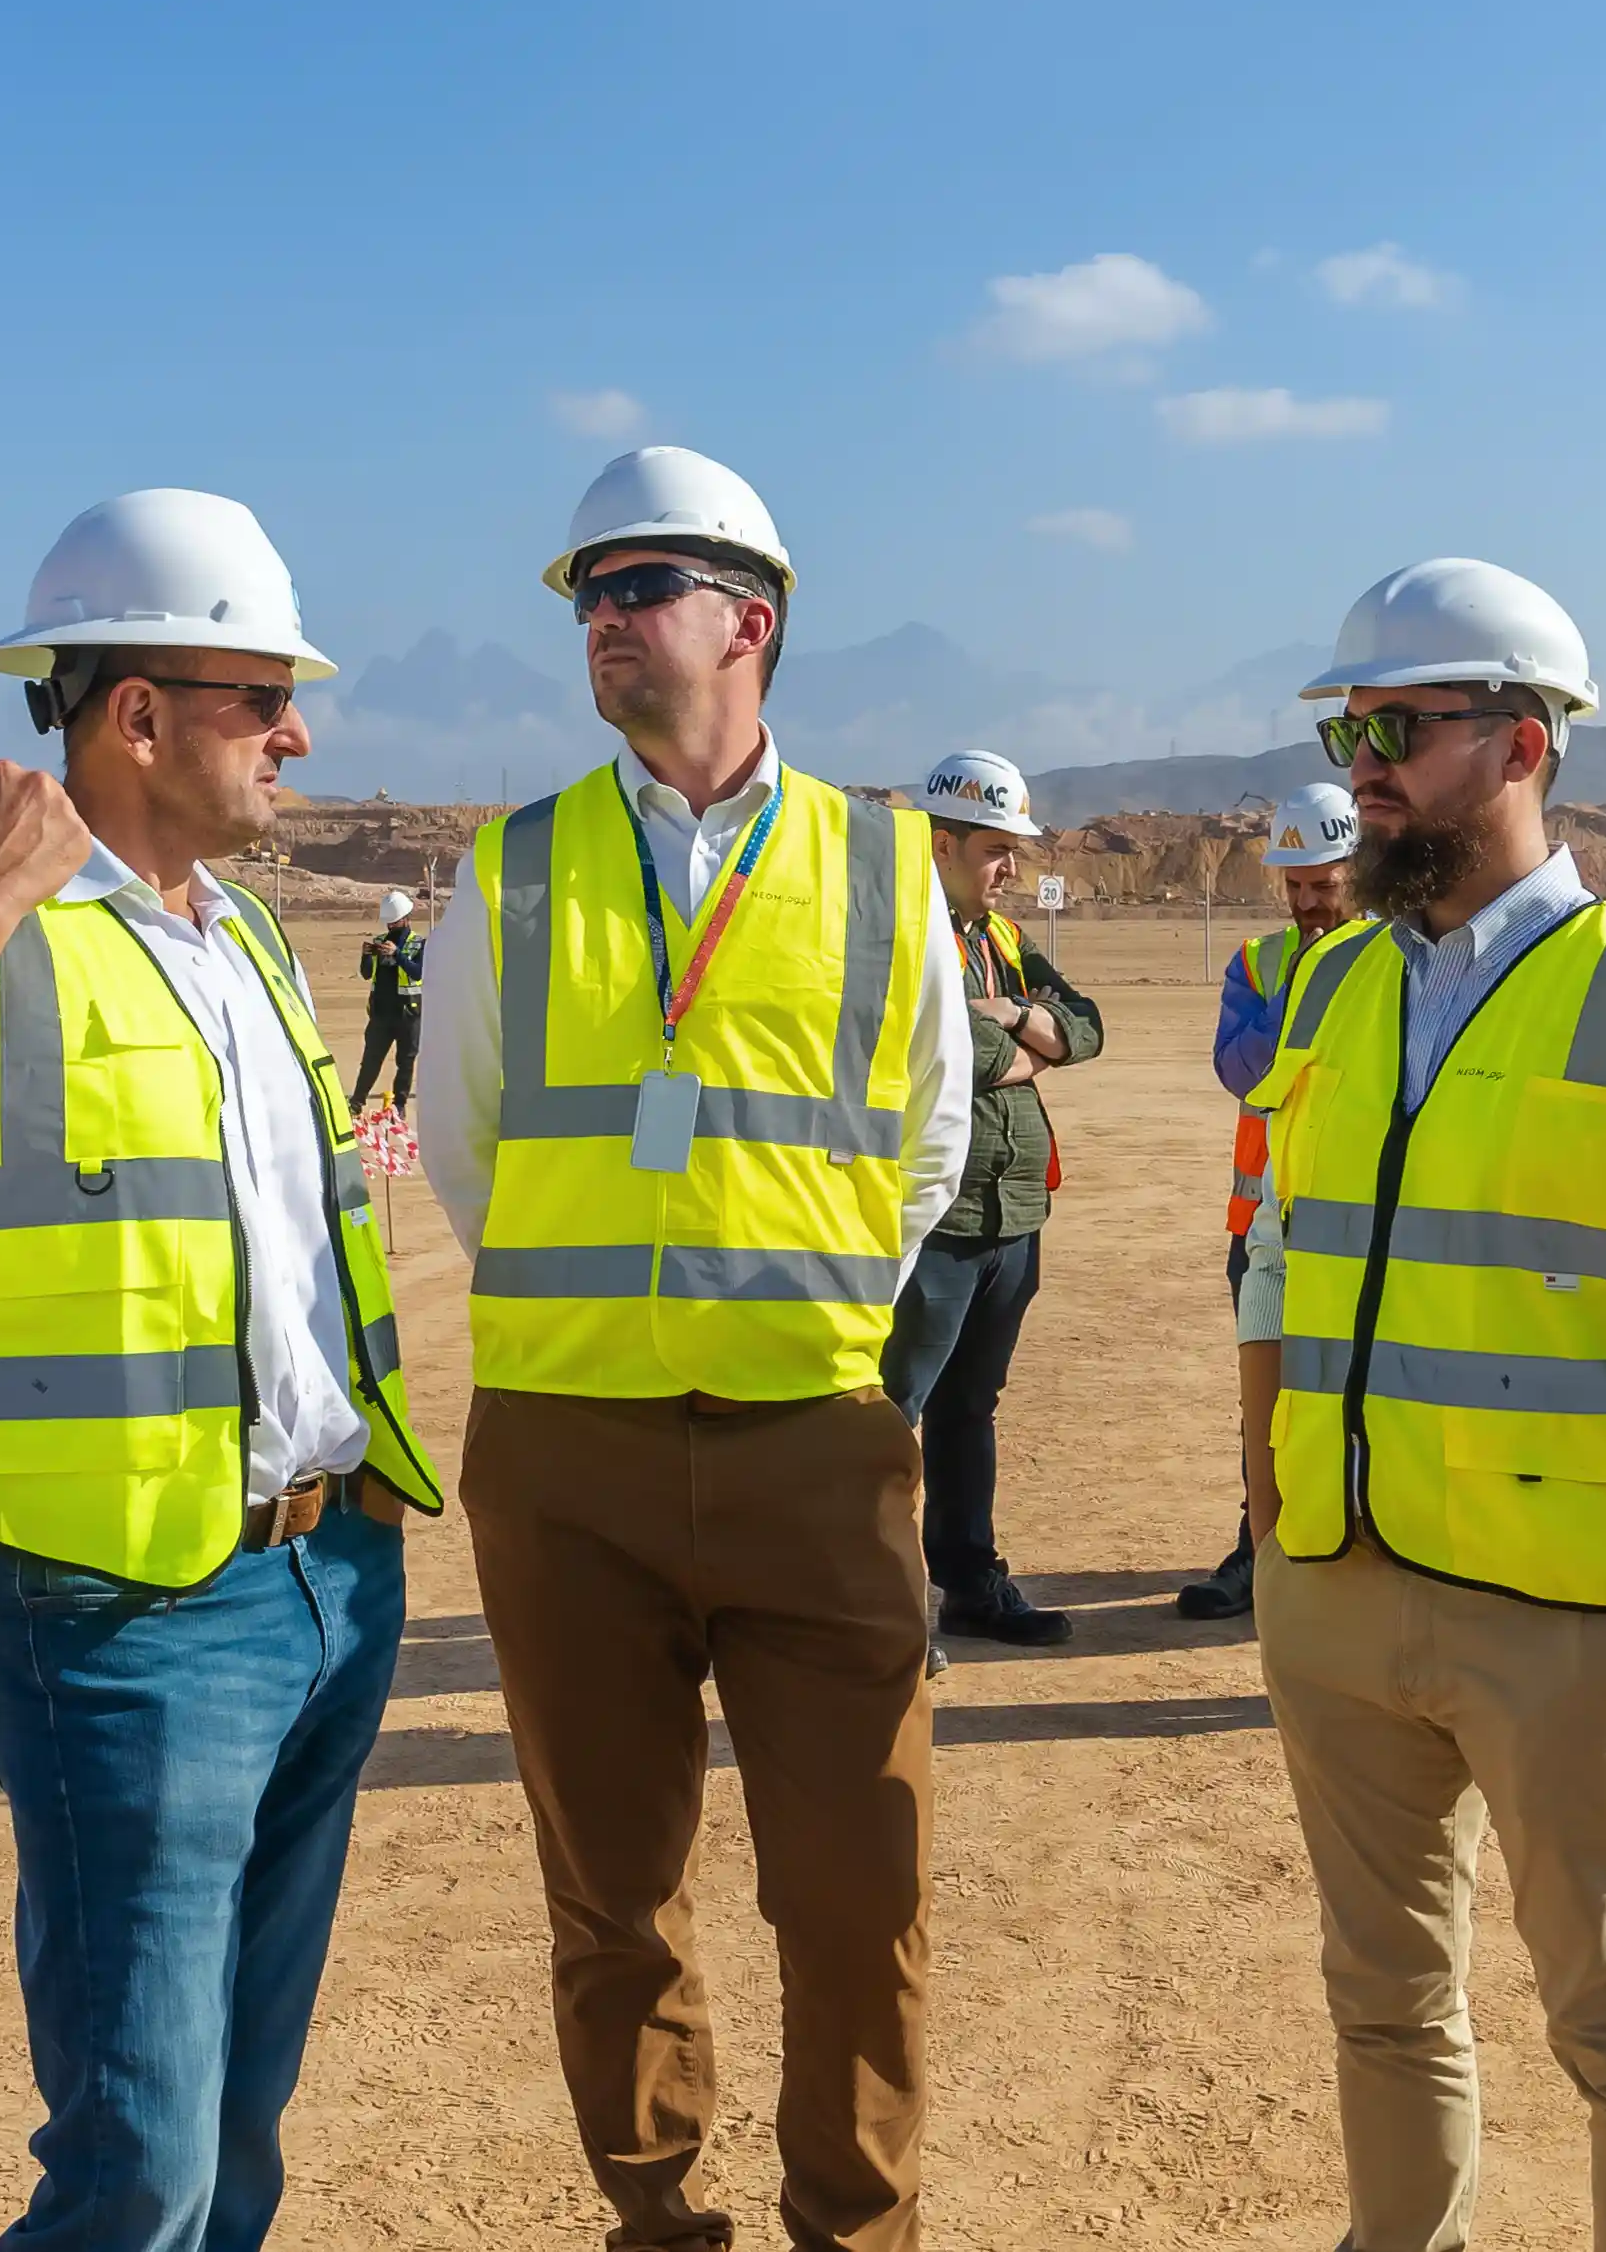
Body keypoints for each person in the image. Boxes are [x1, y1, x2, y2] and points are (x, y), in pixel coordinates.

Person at [0, 488, 441, 2252]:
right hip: (124, 1617)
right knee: (138, 2165)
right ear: (133, 711)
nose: (300, 731)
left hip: (326, 1573)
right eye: (261, 694)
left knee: (234, 2137)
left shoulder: (249, 936)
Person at [1243, 557, 1606, 2252]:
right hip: (1339, 1590)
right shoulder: (1341, 983)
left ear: (1517, 740)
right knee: (1380, 1994)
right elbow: (1284, 1266)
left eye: (1394, 725)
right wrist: (1272, 1514)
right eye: (1349, 726)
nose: (1361, 761)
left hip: (1568, 1618)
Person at [421, 445, 971, 2252]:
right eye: (584, 593)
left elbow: (928, 1146)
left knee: (854, 1889)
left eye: (635, 586)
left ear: (750, 620)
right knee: (610, 1888)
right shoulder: (513, 868)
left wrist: (793, 1300)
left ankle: (854, 2226)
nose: (598, 619)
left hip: (812, 1441)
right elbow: (467, 1146)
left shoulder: (887, 866)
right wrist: (604, 1309)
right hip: (567, 1455)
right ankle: (656, 2210)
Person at [888, 747, 1103, 1649]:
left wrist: (1015, 1018)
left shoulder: (1000, 940)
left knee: (971, 1408)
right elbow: (949, 1054)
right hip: (936, 1217)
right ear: (941, 844)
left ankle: (970, 1581)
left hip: (1014, 1216)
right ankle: (884, 1606)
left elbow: (1087, 1026)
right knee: (892, 1415)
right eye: (993, 847)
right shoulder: (903, 931)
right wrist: (1020, 1048)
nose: (1010, 865)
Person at [1175, 779, 1360, 1623]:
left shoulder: (1403, 959)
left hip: (1363, 1229)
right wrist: (1314, 989)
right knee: (1271, 1402)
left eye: (1322, 885)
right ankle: (1261, 1547)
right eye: (1294, 886)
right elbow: (1240, 1067)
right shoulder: (1258, 965)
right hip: (1266, 1228)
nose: (1307, 902)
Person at [353, 887, 425, 1111]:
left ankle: (399, 1105)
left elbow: (418, 972)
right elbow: (366, 974)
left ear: (405, 919)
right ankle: (356, 1102)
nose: (391, 927)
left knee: (406, 1062)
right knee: (371, 1060)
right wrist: (366, 956)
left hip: (408, 1014)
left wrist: (397, 954)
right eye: (389, 923)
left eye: (395, 922)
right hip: (381, 1014)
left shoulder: (418, 944)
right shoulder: (380, 940)